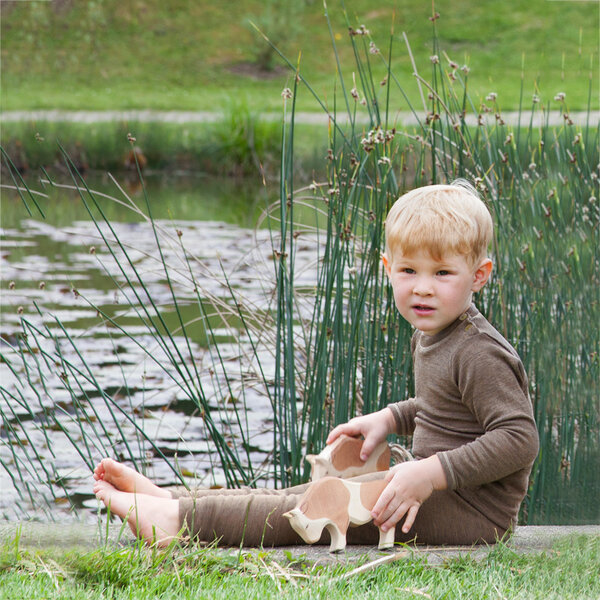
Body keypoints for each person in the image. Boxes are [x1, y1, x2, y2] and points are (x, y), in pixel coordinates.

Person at [93, 181, 539, 548]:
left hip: (472, 513)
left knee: (315, 510)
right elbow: (443, 406)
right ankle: (176, 501)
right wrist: (390, 418)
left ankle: (179, 522)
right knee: (305, 493)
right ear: (387, 268)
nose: (422, 288)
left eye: (442, 273)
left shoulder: (478, 350)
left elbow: (519, 438)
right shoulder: (436, 329)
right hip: (433, 486)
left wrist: (431, 472)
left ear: (478, 275)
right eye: (408, 271)